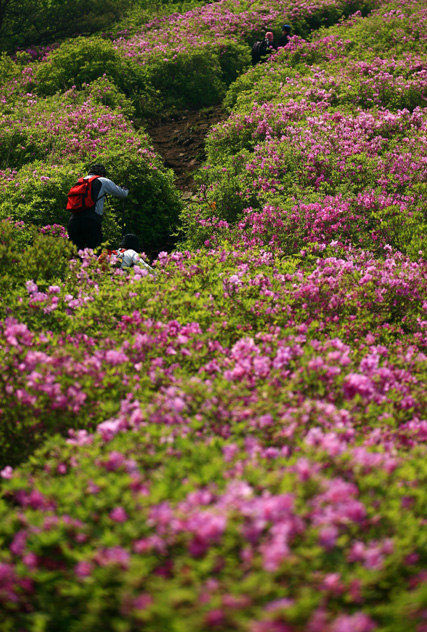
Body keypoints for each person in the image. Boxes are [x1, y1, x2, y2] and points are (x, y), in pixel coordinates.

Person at [67, 164, 129, 251]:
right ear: (102, 174)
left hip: (73, 221)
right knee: (95, 252)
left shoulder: (80, 181)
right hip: (91, 221)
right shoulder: (102, 180)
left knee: (75, 254)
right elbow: (123, 193)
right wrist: (125, 188)